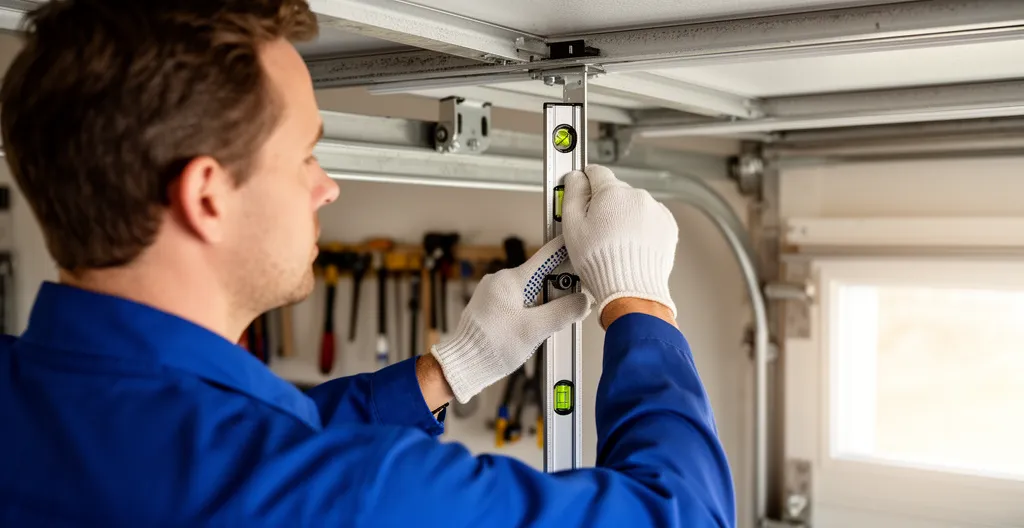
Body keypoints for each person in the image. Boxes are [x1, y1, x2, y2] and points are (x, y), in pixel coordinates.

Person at [0, 1, 735, 526]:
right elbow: (687, 515)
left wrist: (453, 368)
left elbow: (235, 439)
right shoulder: (353, 493)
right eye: (307, 154)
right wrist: (638, 304)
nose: (328, 186)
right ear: (206, 195)